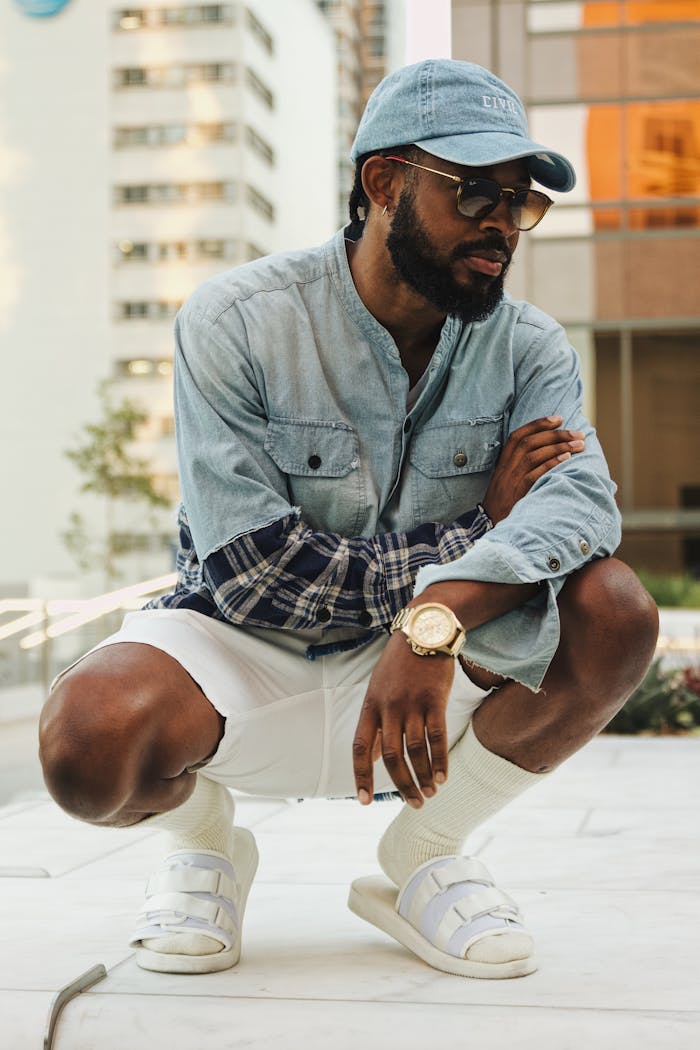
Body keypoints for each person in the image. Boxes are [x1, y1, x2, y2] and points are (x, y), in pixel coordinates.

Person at [39, 59, 658, 980]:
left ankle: (424, 851)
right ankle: (206, 846)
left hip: (430, 659)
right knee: (86, 744)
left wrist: (434, 617)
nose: (502, 223)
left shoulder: (529, 346)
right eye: (476, 192)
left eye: (519, 202)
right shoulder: (236, 322)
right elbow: (257, 573)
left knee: (614, 611)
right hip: (248, 649)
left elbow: (580, 507)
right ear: (383, 182)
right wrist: (478, 529)